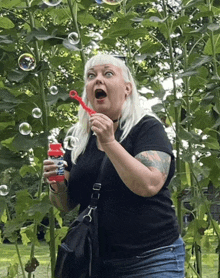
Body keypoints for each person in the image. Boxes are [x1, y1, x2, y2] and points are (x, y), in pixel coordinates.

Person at [43, 54, 185, 278]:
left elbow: (149, 184)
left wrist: (109, 142)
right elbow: (65, 204)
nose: (98, 80)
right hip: (96, 262)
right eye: (91, 76)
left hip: (153, 259)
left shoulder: (146, 128)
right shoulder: (77, 138)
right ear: (87, 90)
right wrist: (55, 183)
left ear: (127, 88)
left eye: (108, 73)